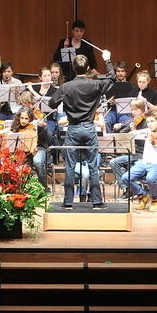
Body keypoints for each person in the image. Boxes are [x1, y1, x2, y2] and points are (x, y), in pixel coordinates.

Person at [49, 48, 115, 209]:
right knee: (93, 166)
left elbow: (51, 104)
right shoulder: (95, 85)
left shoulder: (66, 87)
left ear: (72, 68)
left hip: (72, 129)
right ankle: (97, 202)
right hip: (89, 128)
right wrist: (107, 60)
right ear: (87, 69)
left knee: (70, 167)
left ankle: (68, 202)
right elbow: (112, 79)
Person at [120, 111, 157, 212]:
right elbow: (131, 134)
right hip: (145, 162)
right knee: (125, 177)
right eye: (148, 122)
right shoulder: (147, 132)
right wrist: (135, 130)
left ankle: (155, 200)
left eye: (152, 121)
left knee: (150, 178)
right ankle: (142, 195)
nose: (150, 124)